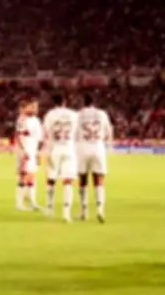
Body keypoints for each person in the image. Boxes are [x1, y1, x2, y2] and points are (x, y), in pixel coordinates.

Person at [76, 93, 113, 223]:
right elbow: (109, 132)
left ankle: (83, 212)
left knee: (83, 180)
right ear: (94, 103)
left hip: (82, 148)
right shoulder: (102, 114)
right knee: (99, 180)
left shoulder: (78, 115)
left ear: (83, 102)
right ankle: (100, 210)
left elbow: (74, 134)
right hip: (98, 147)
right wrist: (107, 145)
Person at [42, 94, 79, 222]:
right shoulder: (74, 114)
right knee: (67, 181)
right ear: (65, 101)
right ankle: (66, 213)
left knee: (51, 180)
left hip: (54, 149)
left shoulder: (49, 115)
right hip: (69, 149)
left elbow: (45, 133)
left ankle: (49, 209)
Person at [14, 98, 43, 211]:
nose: (35, 109)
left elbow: (39, 138)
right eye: (32, 106)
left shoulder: (36, 120)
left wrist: (37, 153)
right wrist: (24, 151)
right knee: (23, 176)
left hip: (33, 149)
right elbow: (19, 136)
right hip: (25, 150)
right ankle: (19, 204)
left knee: (32, 176)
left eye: (36, 107)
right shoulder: (22, 119)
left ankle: (32, 202)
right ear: (26, 108)